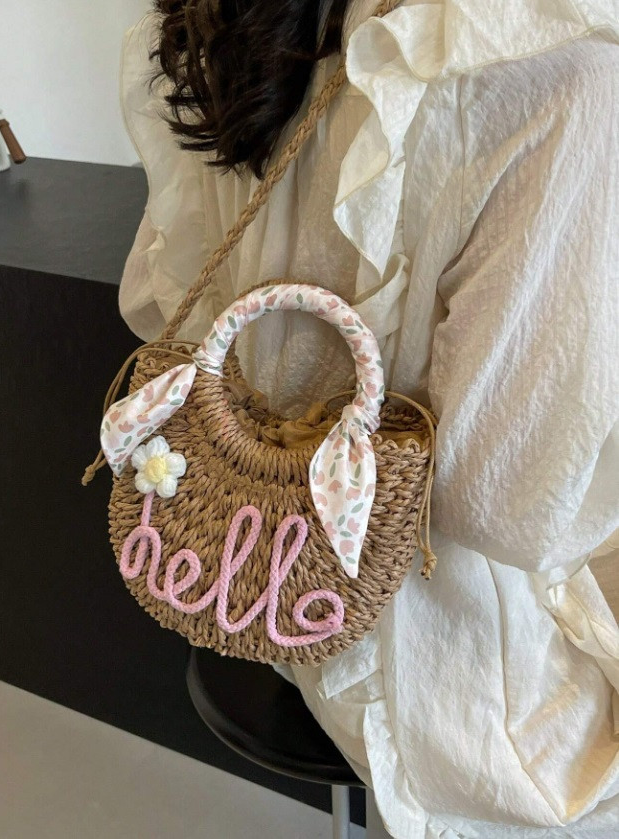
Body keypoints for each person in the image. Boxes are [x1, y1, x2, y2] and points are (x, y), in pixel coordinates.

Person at [119, 1, 619, 836]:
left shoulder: (210, 23)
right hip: (441, 659)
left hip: (257, 565)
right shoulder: (566, 72)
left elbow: (151, 300)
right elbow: (505, 507)